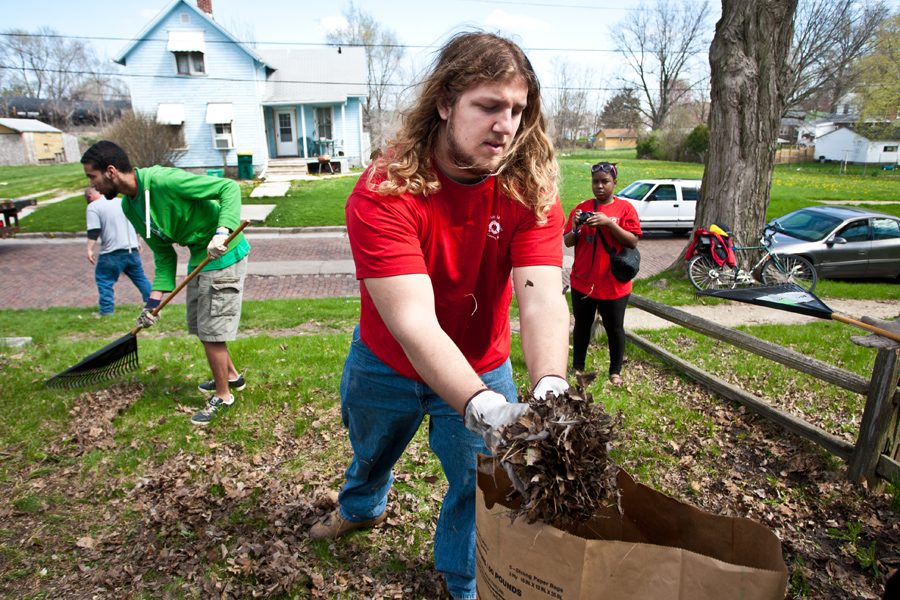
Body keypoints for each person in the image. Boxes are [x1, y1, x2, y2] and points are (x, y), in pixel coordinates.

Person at [308, 32, 572, 600]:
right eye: (489, 106)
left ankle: (462, 580)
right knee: (371, 451)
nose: (506, 125)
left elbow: (543, 296)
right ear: (446, 102)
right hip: (387, 362)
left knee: (479, 488)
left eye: (518, 110)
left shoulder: (531, 189)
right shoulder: (385, 192)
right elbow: (414, 323)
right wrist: (482, 408)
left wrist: (550, 388)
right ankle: (362, 506)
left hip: (484, 360)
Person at [81, 141, 250, 426]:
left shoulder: (162, 180)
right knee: (200, 325)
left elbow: (228, 189)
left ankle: (224, 397)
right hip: (199, 256)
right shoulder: (129, 207)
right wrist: (151, 305)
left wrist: (223, 232)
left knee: (212, 330)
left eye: (92, 177)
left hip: (224, 252)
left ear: (110, 172)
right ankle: (231, 377)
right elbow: (163, 256)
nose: (92, 185)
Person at [563, 162, 642, 386]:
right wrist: (576, 227)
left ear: (614, 183)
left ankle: (615, 371)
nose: (599, 186)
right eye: (595, 181)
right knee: (581, 325)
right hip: (583, 281)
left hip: (613, 283)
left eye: (605, 181)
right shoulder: (582, 207)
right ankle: (578, 366)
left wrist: (609, 224)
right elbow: (568, 242)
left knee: (615, 328)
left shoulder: (625, 209)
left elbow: (632, 241)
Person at [85, 185, 152, 316]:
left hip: (111, 252)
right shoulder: (123, 201)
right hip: (131, 249)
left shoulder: (93, 206)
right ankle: (153, 304)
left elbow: (94, 230)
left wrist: (89, 249)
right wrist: (137, 241)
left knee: (104, 280)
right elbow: (137, 223)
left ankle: (106, 310)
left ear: (90, 196)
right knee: (140, 278)